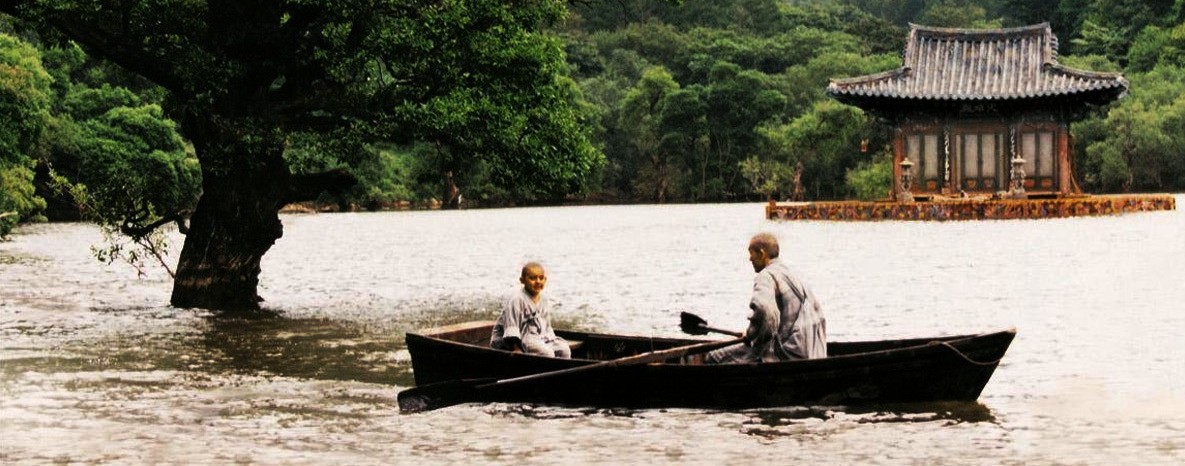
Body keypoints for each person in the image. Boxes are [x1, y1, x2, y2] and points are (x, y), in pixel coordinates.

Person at [703, 232, 827, 364]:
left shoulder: (765, 276)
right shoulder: (792, 274)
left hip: (787, 354)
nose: (750, 259)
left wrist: (752, 335)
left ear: (762, 254)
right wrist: (753, 333)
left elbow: (765, 312)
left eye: (751, 253)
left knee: (712, 358)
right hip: (812, 352)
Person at [490, 261, 572, 358]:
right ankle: (543, 369)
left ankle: (561, 371)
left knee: (564, 349)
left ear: (545, 280)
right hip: (517, 338)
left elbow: (546, 326)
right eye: (532, 278)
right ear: (522, 280)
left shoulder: (544, 300)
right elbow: (512, 326)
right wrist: (516, 348)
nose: (538, 281)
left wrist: (549, 339)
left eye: (541, 278)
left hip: (537, 336)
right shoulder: (517, 299)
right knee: (547, 353)